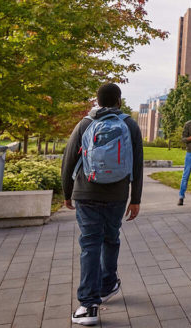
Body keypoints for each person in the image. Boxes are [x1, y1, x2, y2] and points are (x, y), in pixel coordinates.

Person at [62, 83, 143, 326]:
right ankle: (108, 285)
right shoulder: (129, 125)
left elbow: (68, 160)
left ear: (97, 101)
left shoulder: (85, 124)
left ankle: (88, 305)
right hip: (117, 194)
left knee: (90, 244)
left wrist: (67, 192)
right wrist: (135, 199)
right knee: (110, 238)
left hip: (86, 192)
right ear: (119, 100)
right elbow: (138, 164)